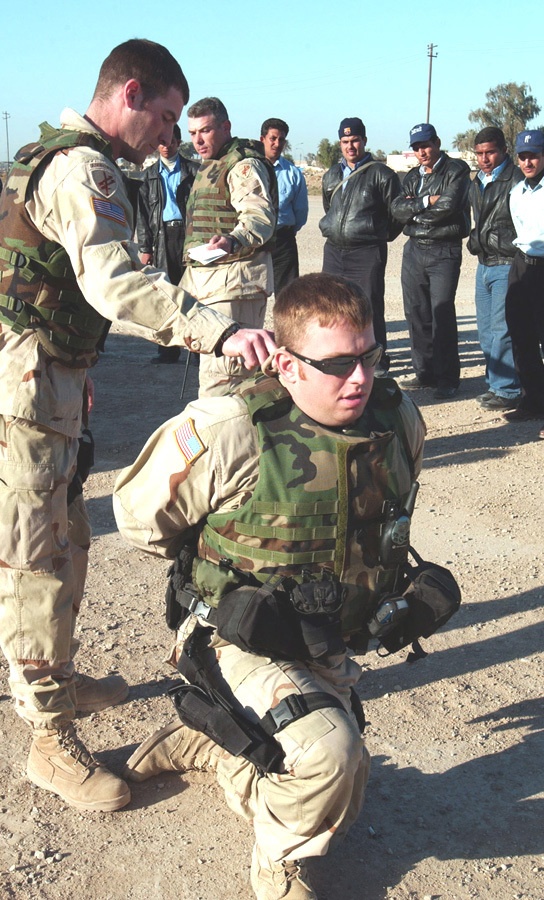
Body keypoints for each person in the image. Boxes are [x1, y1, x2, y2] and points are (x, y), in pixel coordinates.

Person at [0, 39, 275, 815]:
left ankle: (58, 680)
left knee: (66, 539)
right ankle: (48, 740)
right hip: (24, 392)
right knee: (32, 562)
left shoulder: (78, 159)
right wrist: (215, 330)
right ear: (129, 92)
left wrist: (75, 373)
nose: (167, 135)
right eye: (162, 116)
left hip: (50, 378)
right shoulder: (82, 169)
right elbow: (117, 280)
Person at [113, 273, 426, 899]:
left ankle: (214, 747)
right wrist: (223, 579)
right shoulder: (230, 429)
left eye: (369, 355)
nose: (359, 378)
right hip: (236, 638)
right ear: (285, 363)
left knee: (347, 781)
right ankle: (277, 859)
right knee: (328, 758)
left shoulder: (397, 419)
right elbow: (139, 520)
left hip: (322, 638)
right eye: (337, 364)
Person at [183, 97, 277, 396]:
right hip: (212, 283)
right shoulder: (211, 165)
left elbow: (259, 218)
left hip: (234, 284)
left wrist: (233, 240)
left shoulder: (243, 166)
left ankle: (228, 442)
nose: (198, 140)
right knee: (220, 376)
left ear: (226, 127)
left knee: (225, 380)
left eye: (206, 131)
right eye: (193, 133)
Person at [392, 123, 471, 399]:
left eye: (425, 145)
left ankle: (447, 378)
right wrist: (426, 201)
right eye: (416, 147)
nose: (421, 151)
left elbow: (449, 207)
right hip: (414, 250)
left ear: (437, 142)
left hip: (444, 251)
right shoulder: (412, 177)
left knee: (442, 313)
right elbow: (397, 208)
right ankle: (424, 372)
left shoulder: (456, 170)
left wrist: (415, 214)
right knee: (416, 312)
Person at [320, 117, 402, 375]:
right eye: (345, 141)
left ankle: (376, 359)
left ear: (364, 140)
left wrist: (377, 234)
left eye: (355, 140)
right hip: (334, 250)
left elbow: (397, 213)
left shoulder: (381, 174)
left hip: (367, 252)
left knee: (368, 306)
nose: (350, 146)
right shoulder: (331, 175)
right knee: (333, 305)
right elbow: (329, 209)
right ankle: (340, 355)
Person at [503, 130, 544, 440]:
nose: (528, 161)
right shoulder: (517, 192)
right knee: (521, 337)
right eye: (523, 156)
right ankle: (533, 401)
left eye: (533, 155)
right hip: (523, 266)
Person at [467, 126, 522, 410]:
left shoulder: (516, 178)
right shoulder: (478, 180)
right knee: (485, 330)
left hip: (507, 262)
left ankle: (508, 389)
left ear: (503, 150)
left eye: (490, 152)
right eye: (479, 153)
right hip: (484, 263)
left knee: (502, 329)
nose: (484, 158)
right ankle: (496, 383)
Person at [137, 123, 199, 363]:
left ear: (178, 142)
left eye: (170, 141)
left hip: (189, 238)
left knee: (194, 293)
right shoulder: (148, 175)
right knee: (167, 295)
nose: (165, 146)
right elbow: (143, 217)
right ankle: (168, 350)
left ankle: (197, 350)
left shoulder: (195, 172)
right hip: (162, 238)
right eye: (161, 142)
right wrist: (145, 248)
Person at [260, 117, 308, 293]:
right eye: (273, 138)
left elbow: (301, 212)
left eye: (281, 139)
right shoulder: (249, 169)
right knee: (253, 297)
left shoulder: (293, 173)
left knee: (288, 297)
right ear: (262, 139)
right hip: (254, 242)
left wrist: (285, 231)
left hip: (283, 242)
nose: (277, 143)